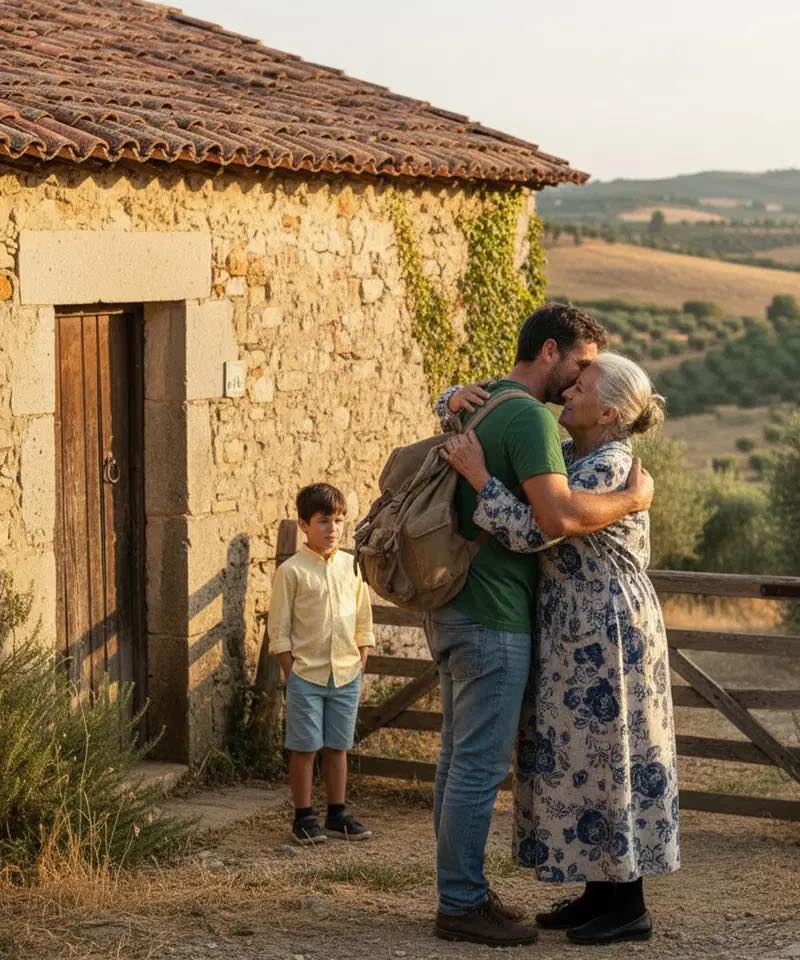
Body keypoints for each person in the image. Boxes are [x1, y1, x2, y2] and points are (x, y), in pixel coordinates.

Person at [426, 303, 655, 947]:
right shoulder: (530, 420)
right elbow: (552, 518)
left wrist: (457, 419)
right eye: (580, 366)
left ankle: (617, 900)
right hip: (523, 620)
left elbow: (546, 525)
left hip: (596, 629)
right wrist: (449, 397)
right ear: (550, 352)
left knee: (604, 755)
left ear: (611, 411)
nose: (578, 381)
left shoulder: (520, 417)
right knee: (556, 760)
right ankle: (470, 900)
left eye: (590, 379)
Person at [268, 482, 375, 844]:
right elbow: (279, 628)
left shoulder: (351, 566)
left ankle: (336, 814)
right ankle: (303, 817)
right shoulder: (292, 571)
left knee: (337, 746)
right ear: (304, 524)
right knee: (304, 747)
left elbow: (363, 617)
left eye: (338, 521)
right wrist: (291, 670)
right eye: (323, 521)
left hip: (346, 674)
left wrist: (361, 658)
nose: (332, 529)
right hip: (306, 675)